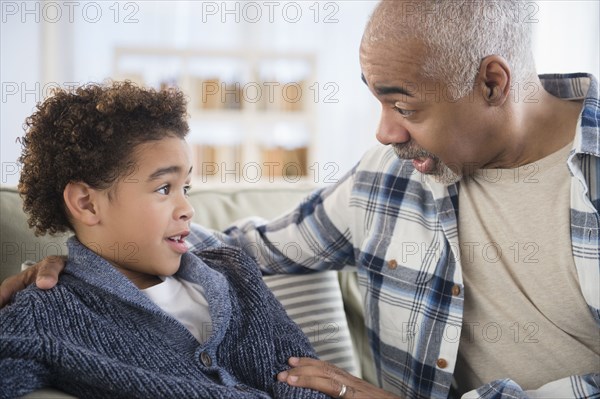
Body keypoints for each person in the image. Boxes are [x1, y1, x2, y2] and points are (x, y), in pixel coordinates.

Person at [2, 1, 599, 398]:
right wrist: (76, 264)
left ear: (492, 83)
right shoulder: (387, 177)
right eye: (377, 102)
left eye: (405, 106)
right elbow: (241, 250)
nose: (384, 133)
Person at [0, 81, 330, 399]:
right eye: (163, 189)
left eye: (185, 188)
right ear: (86, 203)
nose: (187, 208)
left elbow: (303, 374)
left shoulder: (236, 273)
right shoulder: (45, 314)